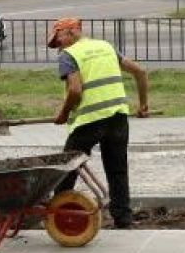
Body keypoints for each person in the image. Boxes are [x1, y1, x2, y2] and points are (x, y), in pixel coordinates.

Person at [47, 17, 151, 229]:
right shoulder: (105, 47)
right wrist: (143, 105)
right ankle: (123, 219)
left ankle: (58, 216)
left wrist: (63, 113)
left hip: (89, 121)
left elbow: (75, 90)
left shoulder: (69, 55)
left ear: (72, 32)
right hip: (117, 118)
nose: (58, 46)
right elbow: (139, 71)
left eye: (58, 39)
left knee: (67, 168)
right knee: (117, 170)